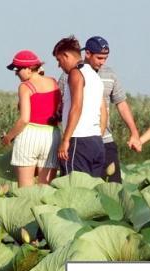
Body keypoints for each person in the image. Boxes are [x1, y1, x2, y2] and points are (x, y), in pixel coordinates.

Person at [81, 36, 142, 183]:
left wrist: (134, 133)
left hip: (105, 141)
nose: (102, 62)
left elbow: (121, 104)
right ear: (87, 53)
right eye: (99, 58)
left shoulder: (110, 74)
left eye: (105, 58)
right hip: (81, 141)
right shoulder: (71, 74)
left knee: (113, 188)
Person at [1, 49, 61, 187]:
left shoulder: (25, 87)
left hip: (29, 135)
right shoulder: (53, 82)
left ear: (28, 69)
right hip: (52, 135)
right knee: (45, 189)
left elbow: (24, 119)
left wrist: (8, 138)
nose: (16, 73)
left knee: (25, 190)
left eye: (17, 69)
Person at [52, 35, 107, 177]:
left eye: (59, 60)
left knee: (73, 190)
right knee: (93, 192)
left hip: (78, 140)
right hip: (96, 141)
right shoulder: (95, 76)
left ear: (66, 55)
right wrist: (97, 136)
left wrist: (65, 140)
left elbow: (76, 107)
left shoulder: (76, 73)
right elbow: (103, 111)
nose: (59, 65)